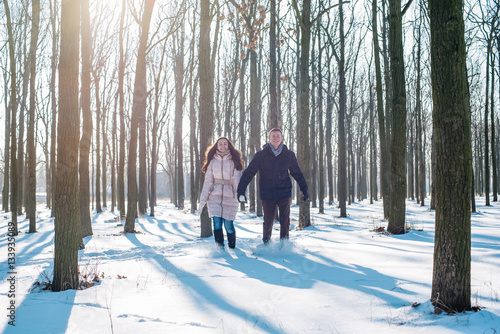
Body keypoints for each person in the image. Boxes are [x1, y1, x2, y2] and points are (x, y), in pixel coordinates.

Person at [237, 128, 308, 244]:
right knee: (268, 220)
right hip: (267, 193)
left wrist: (304, 189)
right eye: (273, 136)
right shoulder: (260, 155)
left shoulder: (289, 155)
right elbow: (249, 173)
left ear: (282, 139)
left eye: (278, 136)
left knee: (285, 220)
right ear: (269, 139)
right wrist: (241, 191)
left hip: (284, 192)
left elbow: (297, 173)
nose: (275, 138)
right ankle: (266, 244)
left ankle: (284, 245)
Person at [199, 137, 243, 249]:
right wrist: (203, 200)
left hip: (230, 195)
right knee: (217, 223)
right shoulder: (212, 162)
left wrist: (240, 194)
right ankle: (220, 248)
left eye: (225, 144)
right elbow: (208, 181)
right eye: (220, 144)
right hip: (214, 196)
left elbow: (237, 180)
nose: (223, 146)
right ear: (216, 146)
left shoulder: (234, 161)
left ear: (228, 146)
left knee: (229, 225)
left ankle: (232, 247)